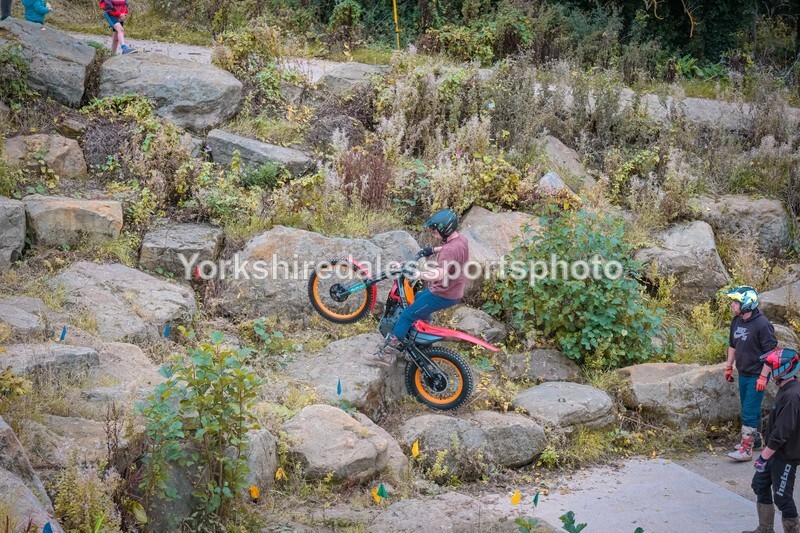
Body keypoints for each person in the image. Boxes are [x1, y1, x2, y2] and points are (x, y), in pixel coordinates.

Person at [365, 209, 469, 366]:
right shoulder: (461, 240)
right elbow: (451, 249)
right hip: (454, 290)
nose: (434, 234)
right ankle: (421, 345)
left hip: (443, 293)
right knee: (418, 299)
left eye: (435, 231)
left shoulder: (449, 250)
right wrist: (432, 250)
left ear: (444, 229)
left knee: (407, 314)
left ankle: (387, 354)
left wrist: (416, 273)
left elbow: (439, 275)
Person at [746, 348, 800, 533]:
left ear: (783, 370)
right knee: (759, 484)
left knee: (782, 497)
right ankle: (765, 529)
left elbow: (782, 433)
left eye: (771, 367)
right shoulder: (785, 388)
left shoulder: (792, 396)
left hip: (785, 455)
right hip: (774, 453)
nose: (767, 369)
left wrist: (763, 458)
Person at [725, 286, 778, 461]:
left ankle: (745, 450)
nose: (732, 305)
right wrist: (728, 367)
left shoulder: (762, 324)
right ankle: (756, 442)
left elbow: (771, 354)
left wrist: (763, 376)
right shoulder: (737, 321)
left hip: (757, 374)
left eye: (736, 302)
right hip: (744, 373)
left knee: (748, 411)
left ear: (747, 303)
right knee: (751, 410)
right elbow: (733, 345)